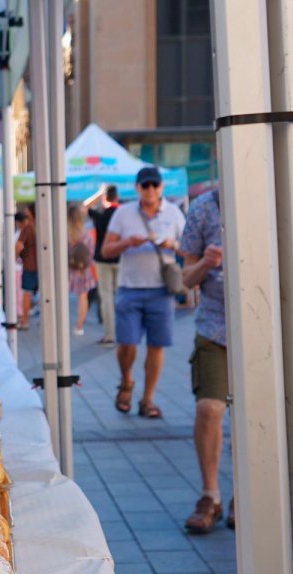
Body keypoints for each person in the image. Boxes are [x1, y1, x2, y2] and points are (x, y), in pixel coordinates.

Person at [100, 166, 185, 419]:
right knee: (127, 343)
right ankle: (126, 381)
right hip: (130, 287)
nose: (150, 190)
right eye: (145, 185)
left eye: (154, 185)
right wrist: (128, 242)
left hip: (161, 289)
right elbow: (105, 251)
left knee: (156, 346)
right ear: (137, 188)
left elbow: (189, 250)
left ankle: (148, 398)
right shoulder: (123, 214)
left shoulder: (174, 214)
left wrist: (172, 244)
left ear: (161, 188)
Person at [179, 189, 232, 532]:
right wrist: (206, 263)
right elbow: (186, 278)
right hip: (215, 327)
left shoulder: (270, 194)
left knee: (253, 414)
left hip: (264, 327)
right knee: (210, 408)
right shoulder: (202, 208)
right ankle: (210, 495)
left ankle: (247, 494)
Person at [87, 185, 120, 345]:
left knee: (106, 297)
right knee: (121, 296)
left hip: (102, 258)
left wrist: (98, 195)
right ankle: (125, 333)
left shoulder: (101, 214)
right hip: (121, 258)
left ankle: (109, 335)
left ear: (105, 198)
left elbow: (83, 208)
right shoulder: (121, 214)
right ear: (117, 197)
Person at [67, 204, 97, 336]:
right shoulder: (86, 233)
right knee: (83, 298)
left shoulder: (64, 233)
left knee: (61, 297)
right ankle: (79, 326)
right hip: (82, 269)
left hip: (66, 269)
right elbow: (90, 253)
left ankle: (60, 323)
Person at [16, 207, 38, 330]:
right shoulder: (38, 225)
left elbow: (18, 245)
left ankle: (24, 321)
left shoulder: (28, 227)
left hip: (29, 265)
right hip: (40, 265)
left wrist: (15, 256)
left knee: (26, 293)